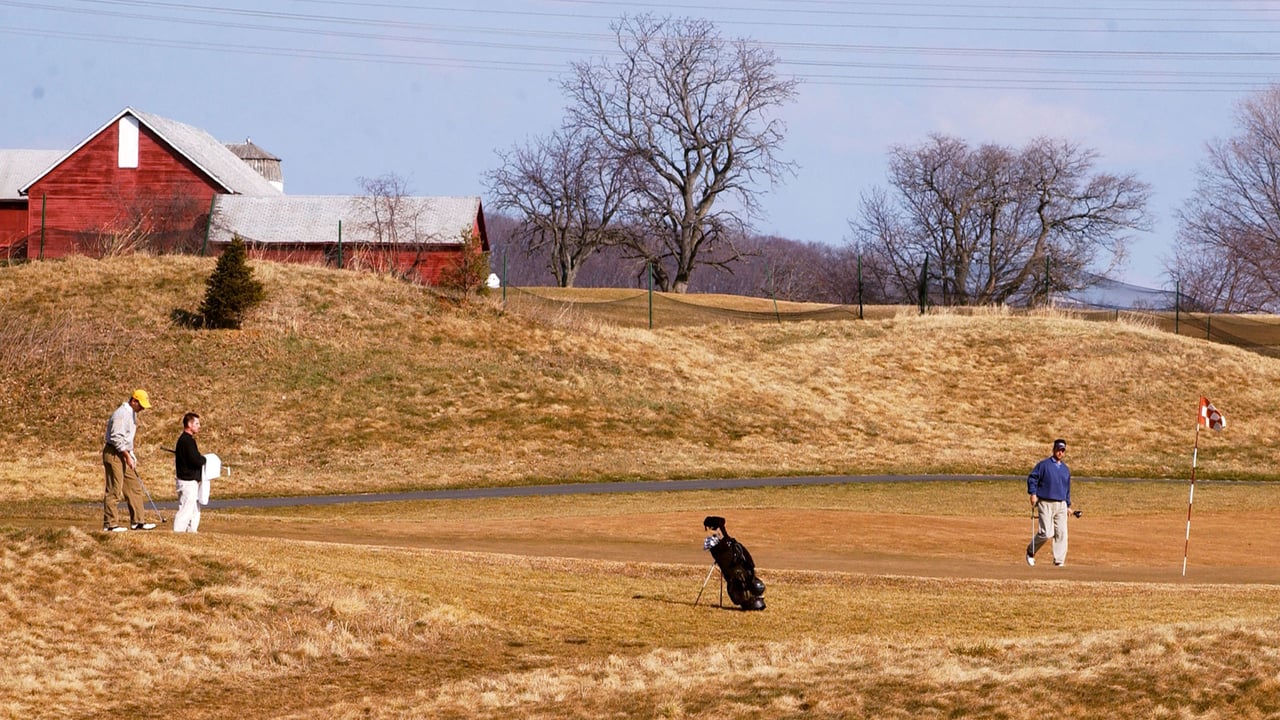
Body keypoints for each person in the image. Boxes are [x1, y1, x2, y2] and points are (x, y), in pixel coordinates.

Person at [102, 389, 156, 532]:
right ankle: (110, 524)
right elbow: (116, 438)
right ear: (133, 401)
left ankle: (138, 521)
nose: (143, 408)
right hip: (113, 453)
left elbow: (126, 438)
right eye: (141, 405)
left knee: (133, 487)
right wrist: (127, 456)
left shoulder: (132, 414)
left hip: (123, 453)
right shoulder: (121, 414)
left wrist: (131, 454)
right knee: (114, 489)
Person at [1026, 438, 1076, 567]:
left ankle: (1059, 561)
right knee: (1046, 533)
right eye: (1058, 450)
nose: (1060, 453)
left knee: (1061, 533)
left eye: (1063, 450)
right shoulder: (1044, 465)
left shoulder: (1065, 469)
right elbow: (1033, 478)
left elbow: (1067, 489)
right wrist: (1033, 493)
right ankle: (1031, 551)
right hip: (1045, 502)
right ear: (1053, 450)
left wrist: (1068, 505)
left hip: (1061, 504)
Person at [172, 412, 206, 533]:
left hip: (185, 480)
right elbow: (195, 460)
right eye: (197, 423)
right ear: (189, 424)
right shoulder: (187, 441)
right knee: (186, 509)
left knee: (192, 509)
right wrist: (204, 459)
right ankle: (178, 532)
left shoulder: (185, 440)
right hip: (187, 481)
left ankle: (191, 531)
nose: (199, 426)